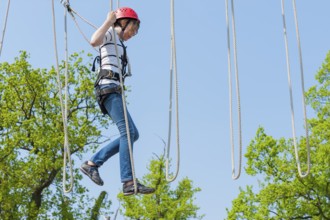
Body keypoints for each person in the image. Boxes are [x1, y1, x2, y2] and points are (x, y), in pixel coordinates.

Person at [80, 7, 155, 196]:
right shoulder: (110, 33)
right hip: (108, 89)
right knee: (128, 133)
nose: (134, 34)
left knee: (133, 134)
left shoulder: (120, 43)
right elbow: (93, 41)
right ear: (123, 22)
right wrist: (108, 21)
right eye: (133, 28)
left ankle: (92, 163)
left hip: (114, 90)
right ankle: (128, 181)